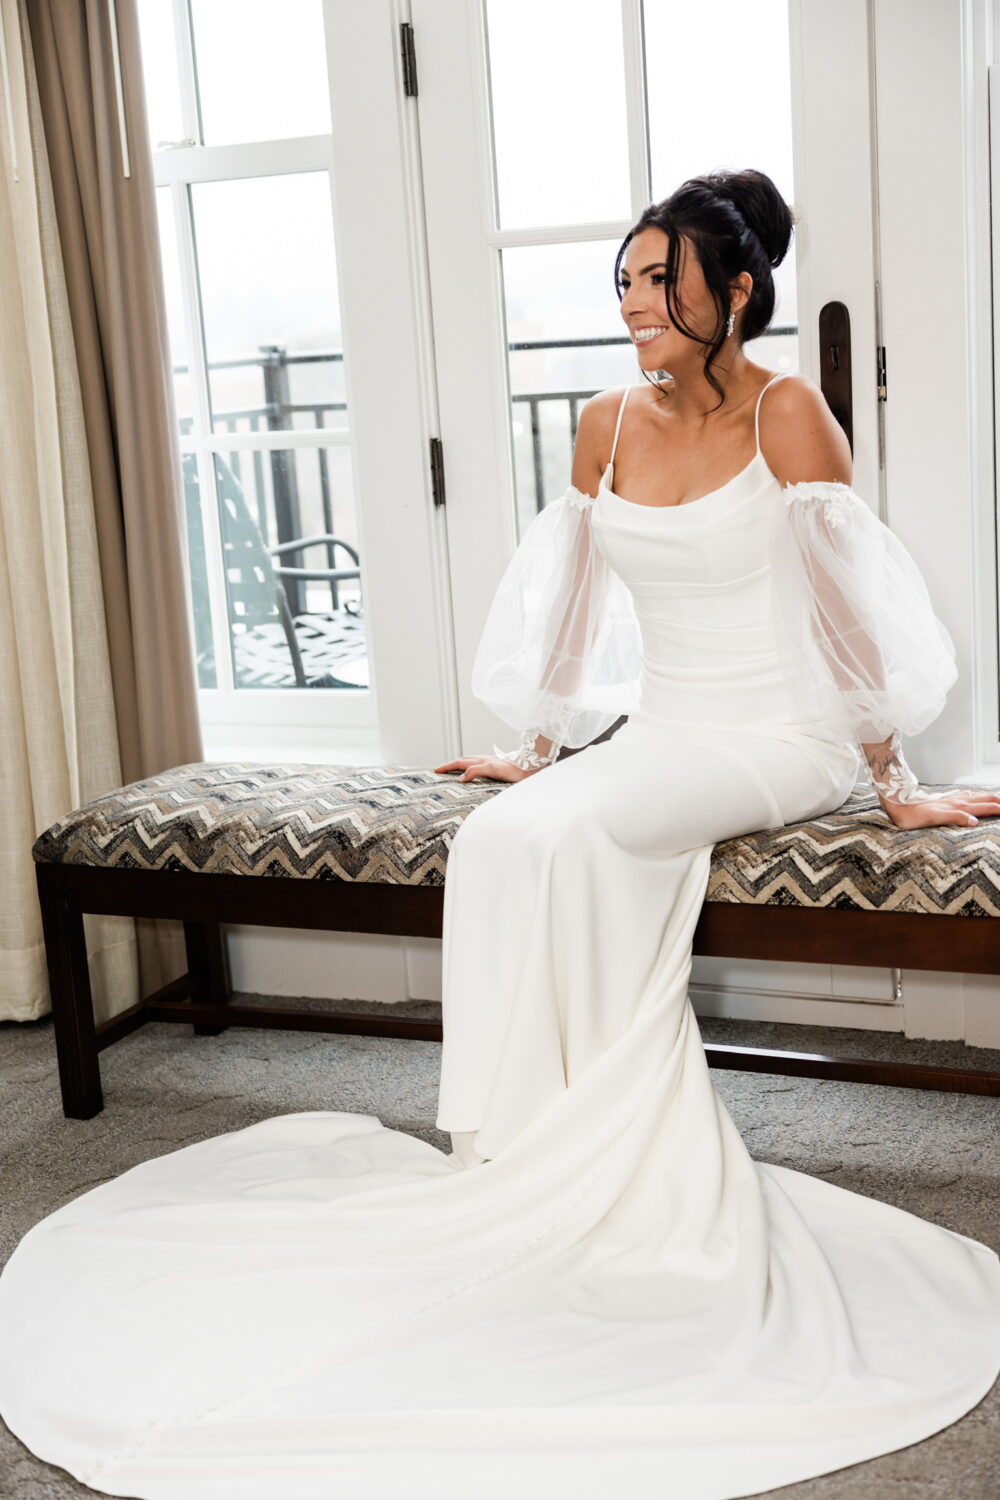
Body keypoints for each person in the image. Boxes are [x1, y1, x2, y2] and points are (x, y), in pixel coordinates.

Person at [1, 169, 998, 1500]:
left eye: (663, 281)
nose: (637, 304)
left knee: (572, 844)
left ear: (737, 290)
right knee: (508, 837)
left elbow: (847, 614)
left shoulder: (789, 413)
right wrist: (534, 752)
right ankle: (521, 1156)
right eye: (627, 282)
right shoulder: (601, 425)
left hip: (781, 739)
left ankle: (612, 1166)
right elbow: (576, 607)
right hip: (666, 726)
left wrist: (893, 780)